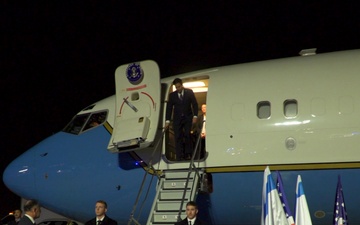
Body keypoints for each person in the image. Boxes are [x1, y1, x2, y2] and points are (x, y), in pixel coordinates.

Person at [165, 78, 198, 161]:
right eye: (176, 87)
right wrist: (167, 121)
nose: (178, 89)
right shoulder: (172, 95)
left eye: (179, 87)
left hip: (187, 117)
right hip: (177, 119)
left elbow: (194, 104)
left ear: (182, 85)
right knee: (178, 136)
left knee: (187, 135)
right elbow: (169, 108)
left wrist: (195, 116)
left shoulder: (189, 92)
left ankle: (188, 154)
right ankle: (179, 155)